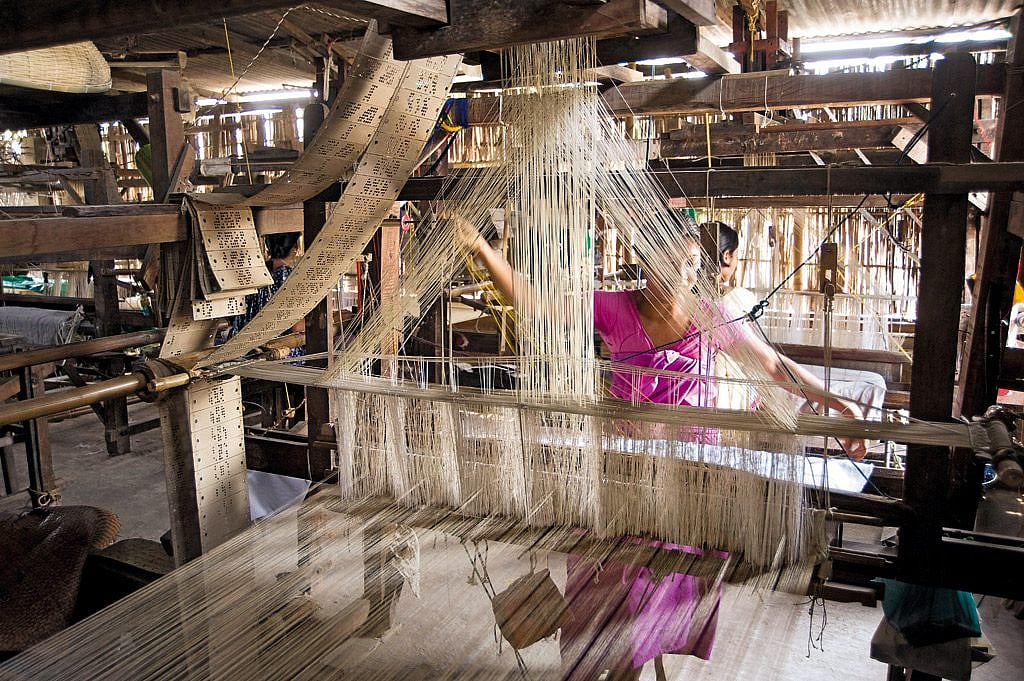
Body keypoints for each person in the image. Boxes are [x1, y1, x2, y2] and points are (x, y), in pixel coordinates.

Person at [459, 217, 866, 680]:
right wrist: (486, 252)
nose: (685, 274)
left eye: (692, 265)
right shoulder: (614, 309)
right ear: (647, 263)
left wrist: (834, 402)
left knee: (662, 592)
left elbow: (772, 366)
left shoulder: (710, 316)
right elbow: (539, 306)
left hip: (690, 484)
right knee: (610, 590)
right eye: (674, 261)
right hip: (625, 476)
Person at [702, 220, 887, 422]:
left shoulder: (707, 309)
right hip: (728, 397)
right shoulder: (732, 302)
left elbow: (769, 362)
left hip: (711, 405)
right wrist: (844, 405)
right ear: (727, 256)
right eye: (737, 256)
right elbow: (769, 363)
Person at [230, 232, 306, 358]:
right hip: (277, 355)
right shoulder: (291, 278)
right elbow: (297, 327)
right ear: (295, 248)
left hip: (247, 352)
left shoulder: (255, 274)